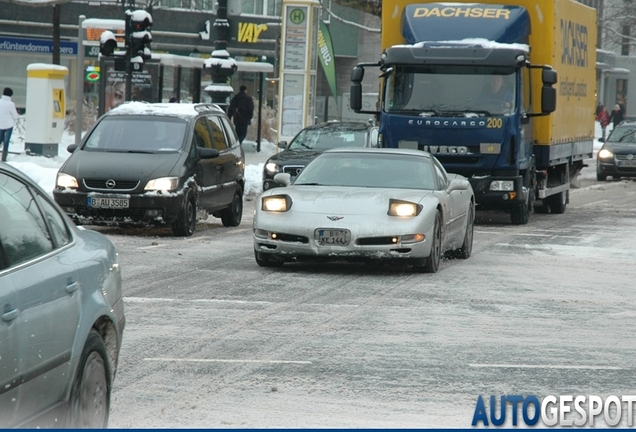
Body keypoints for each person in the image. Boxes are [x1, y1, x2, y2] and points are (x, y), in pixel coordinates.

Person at [0, 87, 19, 162]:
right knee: (6, 141)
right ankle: (4, 158)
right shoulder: (11, 104)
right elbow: (15, 116)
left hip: (0, 124)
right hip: (8, 125)